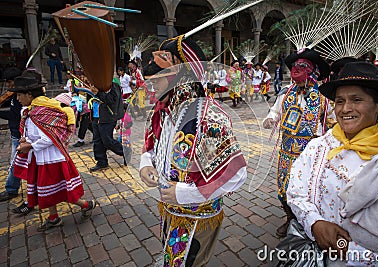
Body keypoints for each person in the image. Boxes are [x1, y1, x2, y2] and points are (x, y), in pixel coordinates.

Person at [140, 35, 247, 267]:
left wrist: (186, 194)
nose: (150, 85)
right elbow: (153, 142)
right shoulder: (163, 109)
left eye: (157, 79)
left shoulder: (209, 117)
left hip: (196, 214)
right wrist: (146, 163)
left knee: (188, 261)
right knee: (173, 255)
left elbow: (236, 174)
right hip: (169, 207)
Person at [286, 61, 378, 266]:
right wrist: (315, 223)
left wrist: (353, 252)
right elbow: (296, 190)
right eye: (340, 101)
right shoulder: (319, 146)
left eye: (357, 100)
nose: (346, 109)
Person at [10, 71, 98, 231]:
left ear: (29, 94)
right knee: (47, 191)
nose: (17, 99)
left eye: (19, 95)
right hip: (41, 158)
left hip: (52, 159)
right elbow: (35, 134)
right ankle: (54, 217)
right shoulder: (32, 110)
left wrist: (28, 146)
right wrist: (26, 139)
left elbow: (51, 137)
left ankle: (87, 204)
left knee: (61, 190)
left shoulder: (42, 111)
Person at [263, 48, 330, 237]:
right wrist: (271, 118)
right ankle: (290, 218)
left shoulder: (324, 97)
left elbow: (331, 121)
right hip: (287, 150)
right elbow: (276, 111)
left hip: (312, 152)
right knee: (284, 186)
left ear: (313, 71)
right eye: (295, 66)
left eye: (303, 66)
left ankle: (309, 221)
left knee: (308, 187)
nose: (297, 70)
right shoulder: (286, 93)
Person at [338, 89, 378, 255]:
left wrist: (345, 209)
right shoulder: (323, 144)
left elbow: (361, 193)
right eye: (339, 101)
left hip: (371, 245)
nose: (345, 109)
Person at [89, 80, 126, 172]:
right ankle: (102, 162)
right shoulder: (95, 84)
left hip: (108, 118)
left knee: (107, 141)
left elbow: (112, 100)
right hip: (96, 117)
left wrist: (98, 93)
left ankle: (126, 152)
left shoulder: (113, 85)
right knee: (97, 141)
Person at [0, 67, 23, 202]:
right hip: (16, 133)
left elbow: (14, 115)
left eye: (9, 82)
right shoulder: (14, 96)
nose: (7, 86)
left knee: (15, 163)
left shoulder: (21, 96)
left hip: (21, 135)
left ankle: (11, 189)